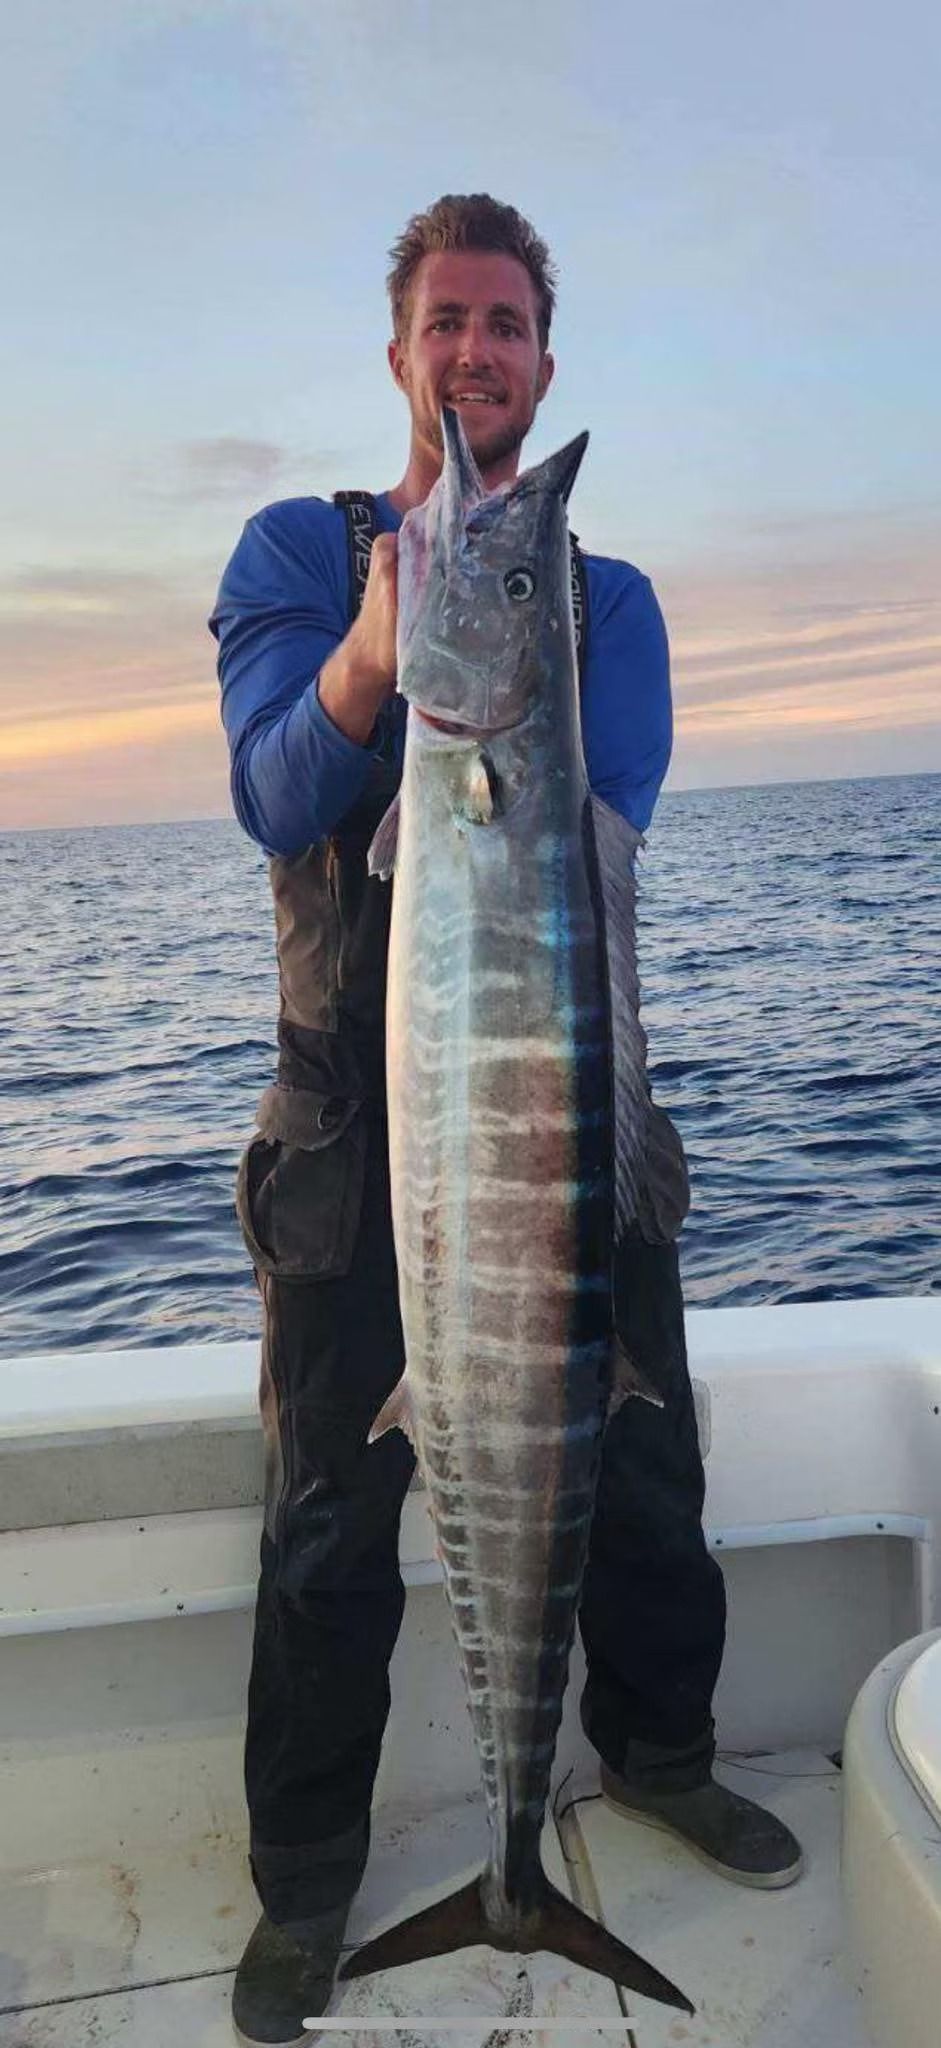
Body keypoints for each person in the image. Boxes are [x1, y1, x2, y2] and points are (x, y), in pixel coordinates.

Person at [209, 193, 801, 2048]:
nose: (478, 352)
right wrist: (378, 659)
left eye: (511, 326)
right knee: (324, 1518)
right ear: (401, 349)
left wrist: (468, 665)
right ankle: (311, 1890)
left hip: (571, 1108)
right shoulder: (296, 555)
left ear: (548, 361)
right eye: (447, 320)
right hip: (348, 1133)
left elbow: (590, 816)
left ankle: (660, 1757)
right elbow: (268, 788)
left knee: (638, 1467)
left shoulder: (598, 597)